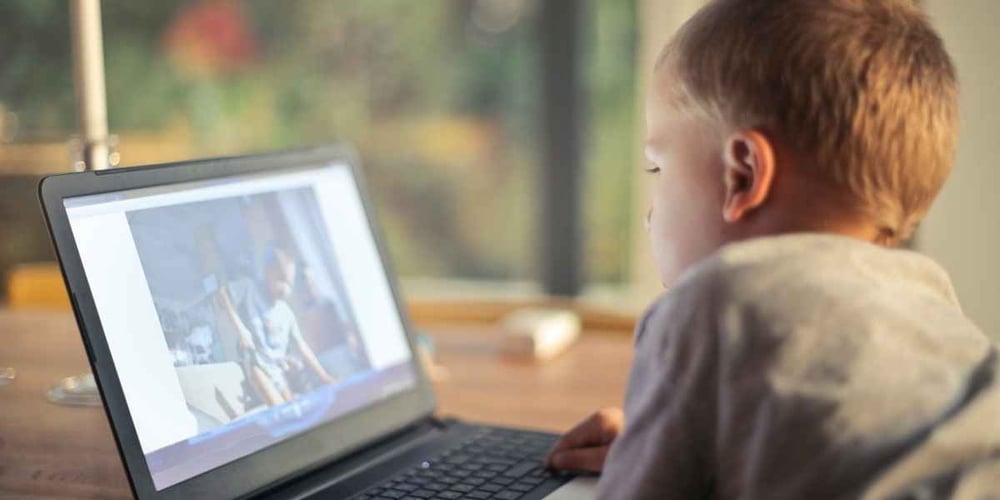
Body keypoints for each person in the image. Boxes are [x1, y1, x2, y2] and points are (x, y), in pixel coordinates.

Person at [546, 0, 1000, 498]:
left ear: (743, 174)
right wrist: (672, 448)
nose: (650, 214)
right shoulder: (934, 304)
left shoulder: (713, 303)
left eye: (659, 169)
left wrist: (644, 466)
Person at [217, 246, 337, 407]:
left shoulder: (286, 312)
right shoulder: (249, 288)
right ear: (268, 272)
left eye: (289, 283)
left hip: (278, 372)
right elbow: (222, 293)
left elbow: (302, 347)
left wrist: (325, 377)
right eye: (281, 279)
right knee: (280, 409)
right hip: (256, 364)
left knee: (295, 409)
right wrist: (240, 329)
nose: (285, 288)